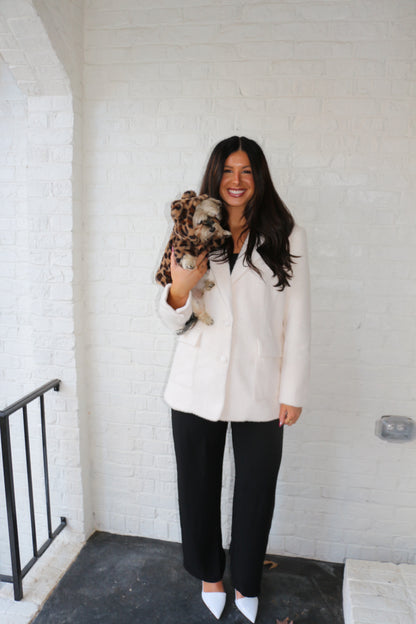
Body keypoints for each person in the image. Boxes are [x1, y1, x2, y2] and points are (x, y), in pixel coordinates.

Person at [157, 136, 310, 622]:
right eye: (228, 171)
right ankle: (210, 574)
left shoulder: (287, 233)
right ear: (215, 175)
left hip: (261, 385)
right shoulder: (192, 229)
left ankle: (247, 580)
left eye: (246, 171)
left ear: (259, 177)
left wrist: (293, 391)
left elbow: (298, 319)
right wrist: (180, 290)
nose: (236, 181)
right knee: (197, 487)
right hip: (195, 383)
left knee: (256, 489)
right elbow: (170, 316)